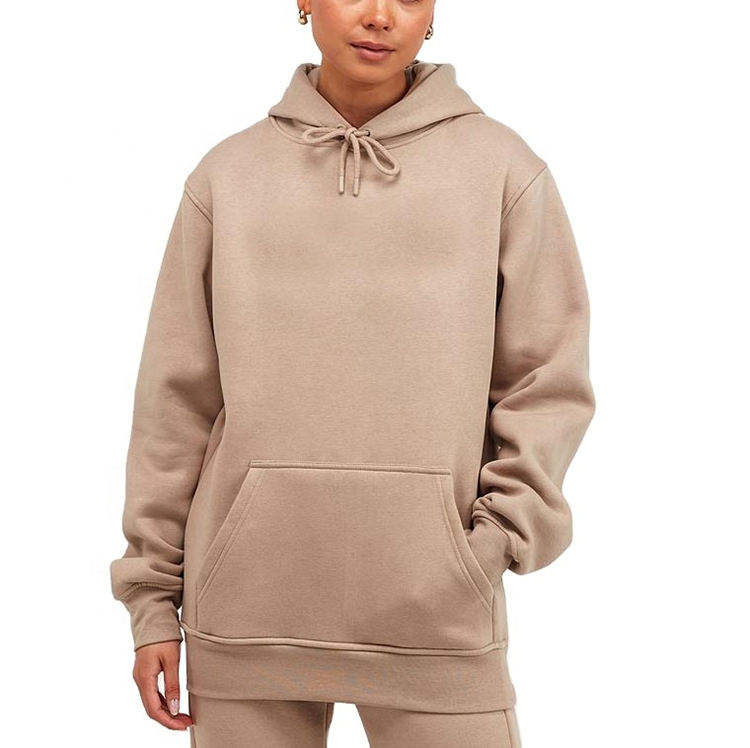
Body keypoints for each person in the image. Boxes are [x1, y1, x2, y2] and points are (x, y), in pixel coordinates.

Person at [110, 1, 595, 745]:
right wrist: (151, 605)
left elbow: (547, 380)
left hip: (437, 612)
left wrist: (493, 542)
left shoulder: (502, 170)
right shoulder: (227, 177)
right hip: (245, 613)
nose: (379, 16)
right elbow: (175, 401)